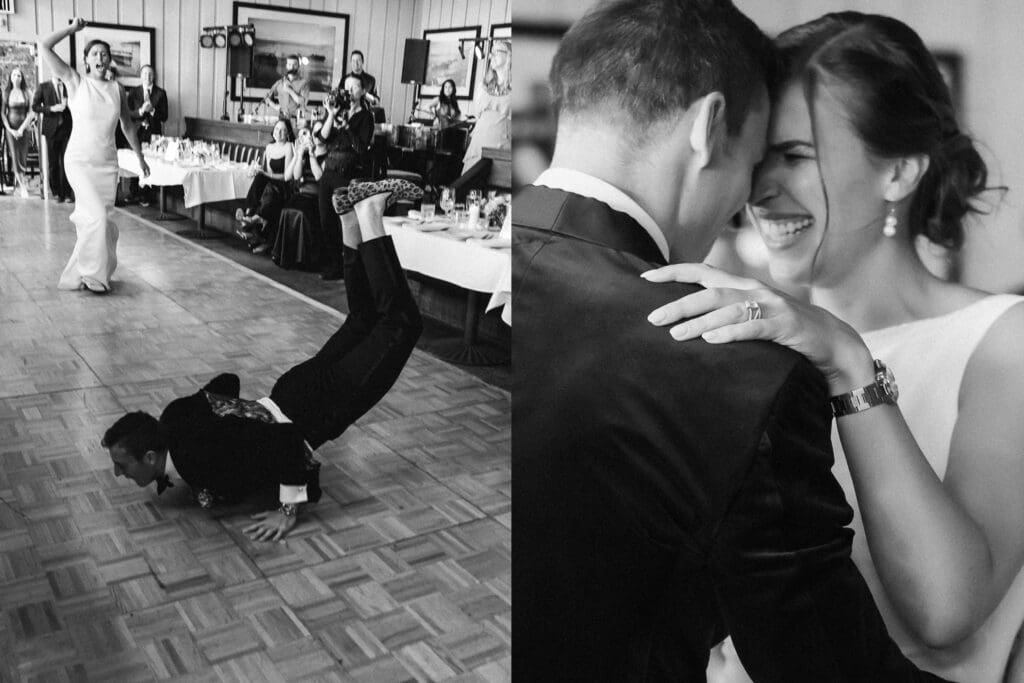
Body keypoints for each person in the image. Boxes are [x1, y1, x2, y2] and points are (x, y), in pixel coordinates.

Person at [513, 1, 948, 681]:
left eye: (795, 157)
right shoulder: (732, 371)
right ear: (710, 127)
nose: (753, 199)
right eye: (758, 160)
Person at [642, 12, 1024, 683]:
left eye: (795, 156)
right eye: (760, 157)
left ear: (900, 171)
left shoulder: (1004, 342)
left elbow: (945, 611)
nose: (761, 188)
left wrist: (848, 362)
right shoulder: (756, 331)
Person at [101, 179, 423, 542]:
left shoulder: (199, 461)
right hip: (289, 389)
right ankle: (349, 221)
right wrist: (239, 421)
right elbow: (227, 382)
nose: (117, 473)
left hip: (315, 410)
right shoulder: (174, 416)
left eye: (121, 465)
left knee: (402, 324)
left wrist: (288, 510)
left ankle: (369, 215)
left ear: (148, 457)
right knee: (362, 320)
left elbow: (287, 442)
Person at [39, 18, 150, 294]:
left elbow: (126, 125)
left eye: (104, 54)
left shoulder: (117, 90)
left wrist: (140, 158)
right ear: (86, 61)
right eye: (94, 54)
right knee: (97, 218)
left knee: (99, 221)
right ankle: (92, 276)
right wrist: (71, 30)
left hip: (106, 164)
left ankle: (94, 274)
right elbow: (43, 45)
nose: (100, 57)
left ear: (109, 60)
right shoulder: (75, 81)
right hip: (79, 161)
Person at [315, 75, 374, 280]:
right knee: (325, 219)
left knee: (345, 223)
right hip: (329, 172)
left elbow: (360, 148)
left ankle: (349, 266)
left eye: (354, 87)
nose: (349, 91)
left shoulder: (366, 117)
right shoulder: (337, 111)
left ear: (361, 91)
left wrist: (347, 126)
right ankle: (334, 263)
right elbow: (321, 138)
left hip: (348, 175)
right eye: (346, 87)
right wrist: (331, 116)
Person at [236, 118, 294, 252]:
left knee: (267, 186)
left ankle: (250, 221)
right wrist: (256, 170)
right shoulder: (269, 147)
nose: (279, 133)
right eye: (277, 129)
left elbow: (286, 176)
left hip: (283, 187)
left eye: (283, 130)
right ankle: (250, 215)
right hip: (270, 185)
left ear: (287, 134)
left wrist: (266, 174)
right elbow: (266, 172)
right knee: (260, 179)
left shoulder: (289, 147)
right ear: (273, 131)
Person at [461, 40, 509, 173]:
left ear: (509, 55)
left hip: (502, 145)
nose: (490, 56)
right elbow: (478, 114)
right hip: (480, 142)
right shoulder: (483, 86)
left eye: (496, 52)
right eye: (490, 52)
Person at [126, 65, 167, 206]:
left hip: (153, 134)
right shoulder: (133, 92)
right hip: (137, 132)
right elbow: (128, 114)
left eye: (150, 74)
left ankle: (146, 196)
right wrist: (141, 111)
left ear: (153, 76)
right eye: (145, 74)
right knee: (136, 160)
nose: (147, 77)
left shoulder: (161, 93)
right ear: (141, 76)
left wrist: (153, 110)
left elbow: (165, 117)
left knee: (150, 162)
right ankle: (133, 193)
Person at [33, 73, 74, 204]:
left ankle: (67, 193)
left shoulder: (68, 86)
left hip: (66, 128)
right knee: (53, 163)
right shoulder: (43, 87)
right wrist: (51, 108)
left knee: (67, 162)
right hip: (51, 130)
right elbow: (35, 107)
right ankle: (56, 192)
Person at [3, 67, 37, 198]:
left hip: (24, 128)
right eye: (14, 75)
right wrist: (10, 129)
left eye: (18, 75)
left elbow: (31, 112)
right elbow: (2, 113)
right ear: (10, 78)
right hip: (11, 129)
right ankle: (23, 187)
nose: (16, 77)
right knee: (15, 156)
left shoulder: (27, 92)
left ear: (22, 78)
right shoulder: (6, 93)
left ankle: (19, 184)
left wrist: (22, 128)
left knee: (23, 156)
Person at [263, 54, 309, 123]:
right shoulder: (280, 82)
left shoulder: (304, 83)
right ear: (286, 66)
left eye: (295, 65)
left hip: (298, 119)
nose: (292, 67)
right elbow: (266, 98)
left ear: (298, 66)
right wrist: (275, 106)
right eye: (289, 64)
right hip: (281, 117)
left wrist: (289, 90)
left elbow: (302, 102)